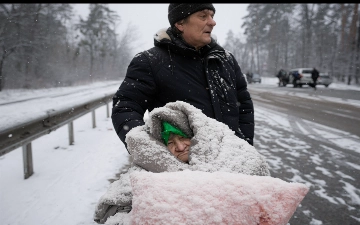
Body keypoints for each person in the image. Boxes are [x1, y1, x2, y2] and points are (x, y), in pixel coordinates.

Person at [94, 101, 270, 224]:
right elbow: (109, 210)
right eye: (170, 142)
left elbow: (261, 187)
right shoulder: (149, 169)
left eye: (183, 138)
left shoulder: (227, 153)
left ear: (194, 135)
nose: (178, 147)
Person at [111, 3, 255, 154]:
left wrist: (244, 145)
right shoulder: (150, 61)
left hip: (231, 161)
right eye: (203, 16)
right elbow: (126, 107)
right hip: (183, 170)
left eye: (212, 16)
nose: (212, 22)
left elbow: (244, 106)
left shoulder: (225, 60)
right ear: (180, 23)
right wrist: (153, 152)